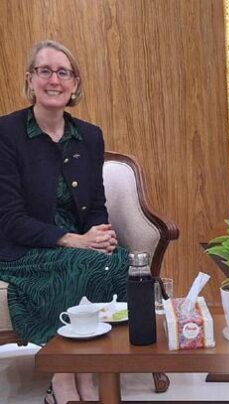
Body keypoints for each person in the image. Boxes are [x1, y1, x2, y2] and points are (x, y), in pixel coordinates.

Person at [0, 40, 128, 403]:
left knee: (117, 262)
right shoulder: (6, 133)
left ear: (75, 83)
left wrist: (100, 235)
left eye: (63, 72)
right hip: (24, 248)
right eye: (44, 71)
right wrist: (75, 240)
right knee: (83, 264)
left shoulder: (89, 135)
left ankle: (86, 371)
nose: (53, 80)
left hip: (80, 244)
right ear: (30, 79)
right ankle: (63, 377)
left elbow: (97, 204)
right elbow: (10, 219)